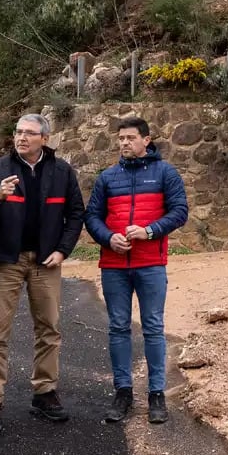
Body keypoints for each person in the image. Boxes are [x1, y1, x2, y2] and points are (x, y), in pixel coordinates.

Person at [0, 113, 86, 435]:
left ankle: (45, 392)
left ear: (44, 139)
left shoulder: (62, 171)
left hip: (45, 261)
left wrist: (62, 250)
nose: (21, 137)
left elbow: (75, 213)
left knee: (49, 328)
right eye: (18, 132)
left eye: (29, 133)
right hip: (5, 261)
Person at [84, 116, 188, 425]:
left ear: (146, 140)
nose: (124, 143)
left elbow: (179, 211)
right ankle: (123, 392)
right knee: (118, 327)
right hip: (114, 265)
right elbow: (92, 216)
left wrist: (150, 231)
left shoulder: (165, 173)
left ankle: (156, 394)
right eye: (121, 139)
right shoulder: (107, 177)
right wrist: (108, 238)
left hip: (151, 263)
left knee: (153, 327)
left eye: (130, 138)